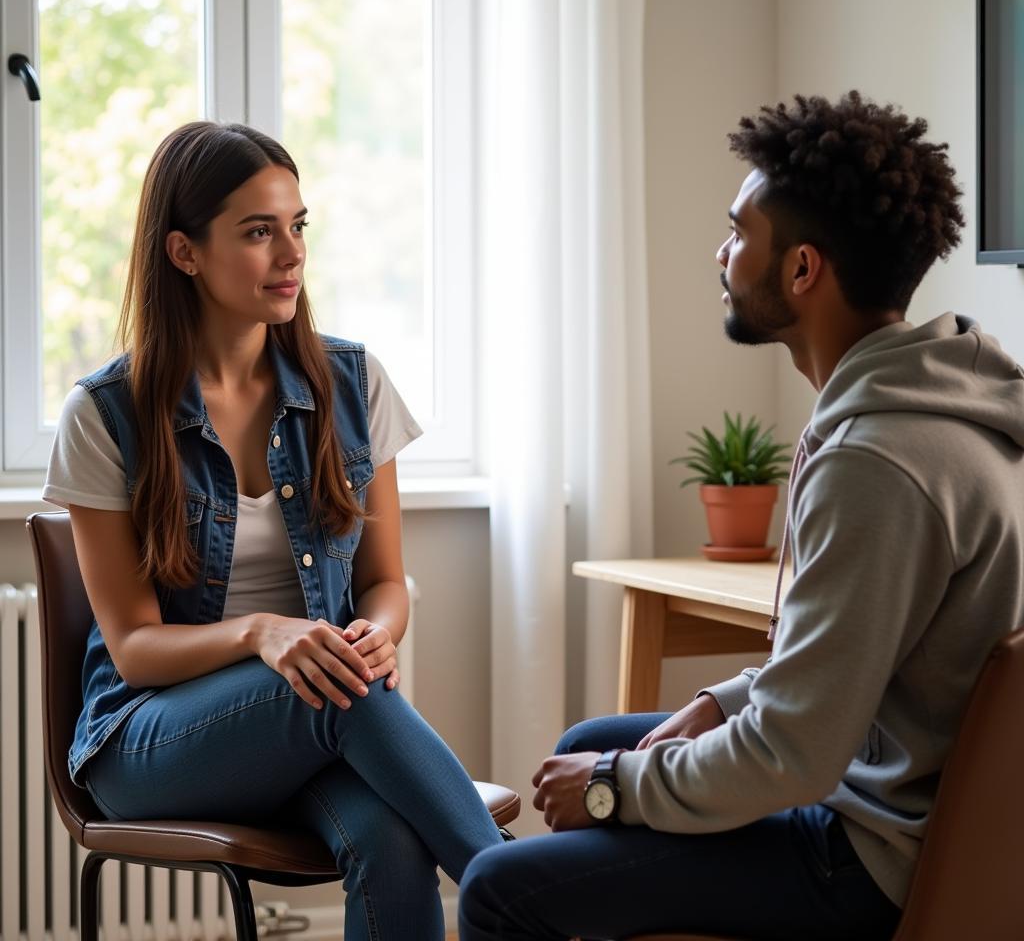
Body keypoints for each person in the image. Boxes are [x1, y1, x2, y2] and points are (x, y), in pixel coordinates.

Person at [458, 91, 1024, 940]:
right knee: (595, 736)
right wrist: (725, 701)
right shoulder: (949, 406)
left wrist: (615, 785)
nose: (720, 254)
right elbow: (864, 658)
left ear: (801, 270)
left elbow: (792, 756)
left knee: (500, 887)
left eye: (737, 233)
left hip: (869, 856)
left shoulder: (876, 462)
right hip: (896, 795)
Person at [43, 121, 503, 941]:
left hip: (316, 712)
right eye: (259, 232)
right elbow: (137, 647)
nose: (291, 255)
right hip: (147, 738)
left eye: (297, 226)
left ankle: (519, 892)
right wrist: (265, 632)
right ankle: (527, 894)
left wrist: (375, 634)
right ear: (184, 252)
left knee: (391, 843)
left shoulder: (352, 383)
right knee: (339, 690)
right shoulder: (106, 414)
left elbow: (386, 583)